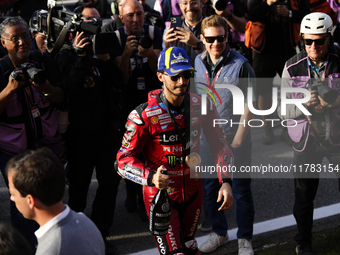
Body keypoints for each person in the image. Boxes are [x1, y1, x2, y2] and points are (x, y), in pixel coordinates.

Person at [116, 46, 234, 255]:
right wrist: (151, 177)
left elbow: (220, 145)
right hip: (161, 196)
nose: (182, 81)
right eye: (175, 76)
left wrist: (225, 181)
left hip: (193, 192)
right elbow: (122, 161)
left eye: (186, 75)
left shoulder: (202, 105)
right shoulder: (144, 114)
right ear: (160, 76)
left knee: (190, 246)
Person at [55, 4, 123, 253]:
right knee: (79, 189)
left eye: (97, 21)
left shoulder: (104, 48)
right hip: (80, 136)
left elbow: (118, 81)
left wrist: (104, 60)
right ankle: (75, 238)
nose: (94, 27)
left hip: (107, 133)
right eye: (88, 22)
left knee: (109, 184)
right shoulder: (66, 52)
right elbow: (70, 89)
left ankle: (99, 233)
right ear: (77, 25)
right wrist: (81, 57)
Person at [278, 12, 340, 255]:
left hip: (337, 138)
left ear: (330, 38)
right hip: (306, 141)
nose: (313, 46)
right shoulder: (291, 66)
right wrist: (306, 103)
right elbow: (282, 110)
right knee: (304, 197)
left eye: (320, 41)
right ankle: (303, 242)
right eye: (308, 41)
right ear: (301, 39)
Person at [0, 16, 64, 250]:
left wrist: (45, 87)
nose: (21, 42)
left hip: (46, 145)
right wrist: (10, 88)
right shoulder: (0, 69)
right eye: (13, 38)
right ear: (3, 42)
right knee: (22, 205)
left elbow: (61, 96)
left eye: (25, 36)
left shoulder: (43, 59)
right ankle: (25, 249)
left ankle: (53, 246)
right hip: (13, 153)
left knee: (51, 197)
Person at [195, 15, 256, 254]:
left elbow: (251, 103)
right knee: (210, 188)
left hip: (234, 138)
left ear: (226, 36)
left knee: (240, 191)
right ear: (202, 38)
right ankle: (219, 233)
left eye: (220, 38)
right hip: (207, 141)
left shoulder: (242, 64)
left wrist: (240, 137)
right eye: (210, 39)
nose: (215, 44)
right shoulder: (197, 61)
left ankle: (245, 239)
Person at [113, 0, 163, 220]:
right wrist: (126, 55)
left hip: (151, 101)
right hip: (127, 102)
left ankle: (147, 197)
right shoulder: (115, 37)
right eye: (130, 15)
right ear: (121, 17)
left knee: (151, 151)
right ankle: (131, 192)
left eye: (139, 14)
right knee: (130, 150)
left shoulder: (155, 32)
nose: (136, 19)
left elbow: (160, 72)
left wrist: (150, 53)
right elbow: (121, 79)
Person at [6, 147, 105, 255]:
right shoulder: (85, 222)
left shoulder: (50, 249)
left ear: (30, 200)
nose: (12, 198)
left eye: (13, 194)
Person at [248, 0, 309, 144]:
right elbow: (251, 14)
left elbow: (307, 15)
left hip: (287, 49)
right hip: (262, 51)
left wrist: (289, 13)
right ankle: (267, 128)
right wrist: (268, 3)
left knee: (291, 90)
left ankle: (288, 127)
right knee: (264, 91)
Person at [163, 0, 205, 66]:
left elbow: (217, 59)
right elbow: (164, 65)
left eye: (193, 3)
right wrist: (166, 47)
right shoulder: (170, 29)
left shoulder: (213, 27)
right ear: (180, 5)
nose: (189, 8)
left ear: (202, 3)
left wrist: (198, 45)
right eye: (185, 3)